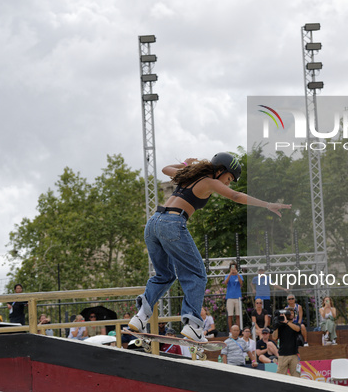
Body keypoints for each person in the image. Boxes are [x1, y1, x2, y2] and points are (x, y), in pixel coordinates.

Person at [129, 153, 290, 342]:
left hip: (153, 224)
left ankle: (140, 317)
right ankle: (194, 325)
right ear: (219, 170)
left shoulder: (189, 176)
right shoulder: (208, 181)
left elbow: (166, 170)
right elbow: (236, 196)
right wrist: (267, 205)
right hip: (172, 223)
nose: (227, 184)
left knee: (165, 275)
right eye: (228, 178)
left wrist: (185, 165)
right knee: (197, 274)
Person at [272, 307, 301, 377]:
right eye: (288, 313)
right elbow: (274, 337)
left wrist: (287, 322)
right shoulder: (281, 326)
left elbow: (297, 329)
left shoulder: (296, 324)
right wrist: (276, 327)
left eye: (292, 313)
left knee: (297, 377)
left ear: (294, 315)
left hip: (294, 355)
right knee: (280, 378)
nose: (290, 314)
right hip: (282, 355)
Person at [224, 261, 243, 331]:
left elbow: (241, 283)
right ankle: (231, 331)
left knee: (238, 315)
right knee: (230, 315)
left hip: (237, 297)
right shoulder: (227, 275)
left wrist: (237, 274)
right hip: (230, 297)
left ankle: (238, 330)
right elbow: (225, 283)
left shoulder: (239, 275)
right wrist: (230, 274)